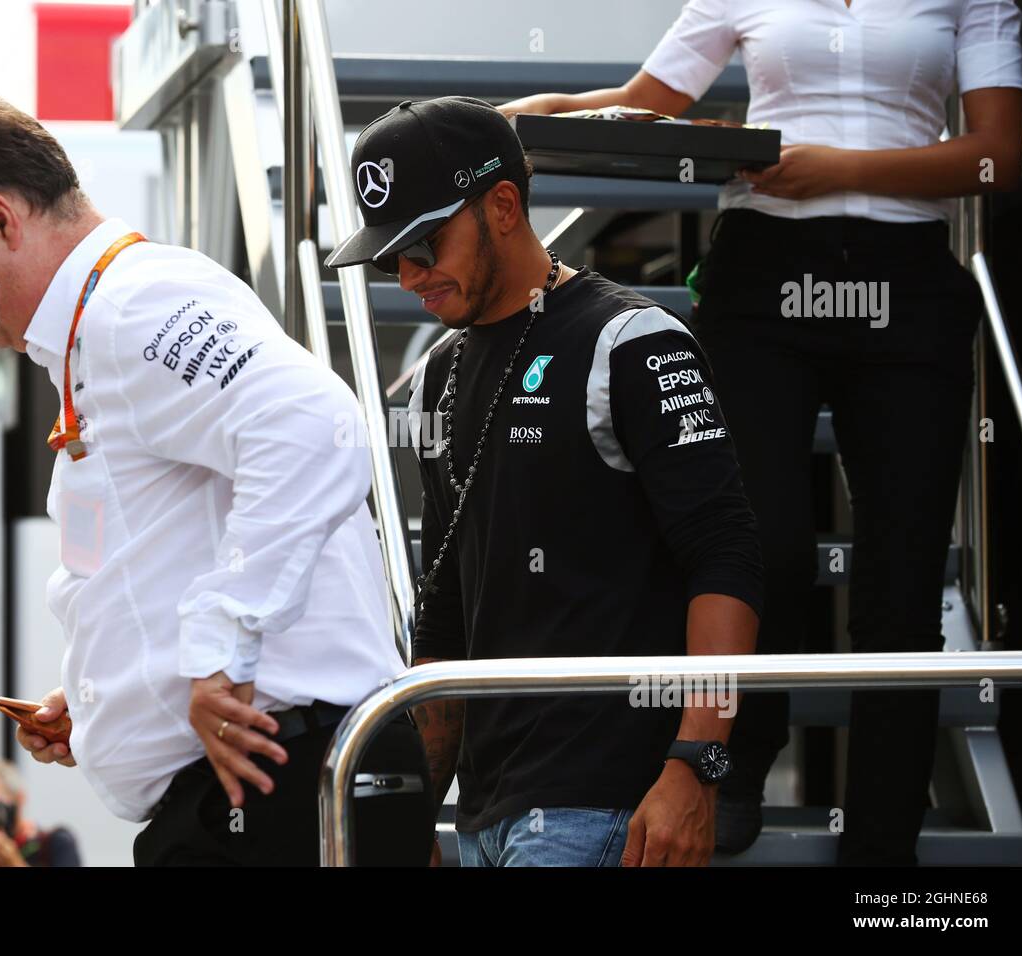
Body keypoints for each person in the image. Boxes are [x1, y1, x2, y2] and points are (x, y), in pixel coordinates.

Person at [501, 0, 1022, 865]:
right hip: (760, 276)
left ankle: (882, 846)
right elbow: (649, 101)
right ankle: (737, 758)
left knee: (902, 588)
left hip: (909, 289)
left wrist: (837, 170)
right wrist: (542, 112)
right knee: (759, 544)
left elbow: (997, 160)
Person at [0, 95, 433, 866]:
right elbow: (176, 545)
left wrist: (223, 649)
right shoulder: (104, 324)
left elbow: (316, 423)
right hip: (259, 787)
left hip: (275, 789)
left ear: (0, 219)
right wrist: (113, 698)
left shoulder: (127, 308)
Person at [327, 95, 763, 866]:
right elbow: (448, 615)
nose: (407, 274)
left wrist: (697, 765)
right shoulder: (436, 377)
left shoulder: (632, 340)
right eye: (389, 255)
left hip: (605, 810)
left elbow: (726, 557)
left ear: (502, 206)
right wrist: (415, 816)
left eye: (424, 242)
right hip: (485, 816)